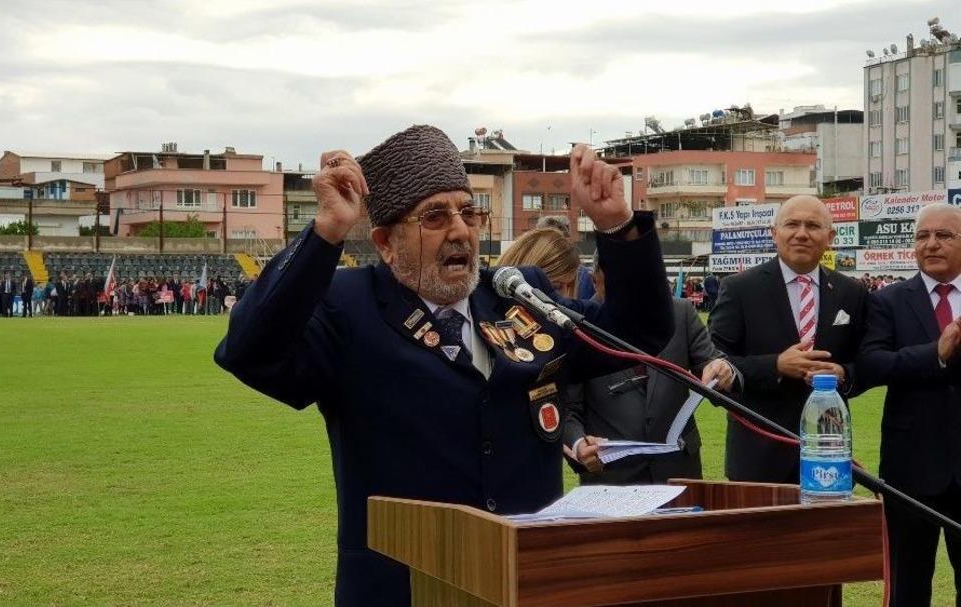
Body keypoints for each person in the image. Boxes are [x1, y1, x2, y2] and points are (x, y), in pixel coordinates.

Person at [214, 126, 673, 606]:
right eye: (434, 216)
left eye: (468, 211)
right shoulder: (349, 308)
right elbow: (249, 353)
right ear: (386, 242)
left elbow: (637, 334)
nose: (460, 229)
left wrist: (617, 227)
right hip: (406, 587)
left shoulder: (517, 294)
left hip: (526, 582)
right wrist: (326, 231)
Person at [709, 195, 867, 483]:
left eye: (813, 226)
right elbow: (715, 361)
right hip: (758, 453)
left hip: (827, 452)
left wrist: (842, 373)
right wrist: (776, 365)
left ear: (830, 236)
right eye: (792, 224)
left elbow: (867, 361)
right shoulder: (740, 288)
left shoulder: (851, 292)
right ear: (774, 233)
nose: (801, 233)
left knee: (823, 529)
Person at [858, 203, 961, 607]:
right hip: (910, 469)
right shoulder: (889, 301)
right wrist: (934, 353)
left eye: (944, 236)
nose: (931, 244)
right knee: (908, 585)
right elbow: (871, 364)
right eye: (922, 236)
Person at [563, 259, 738, 485]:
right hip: (613, 479)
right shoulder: (577, 327)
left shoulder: (680, 312)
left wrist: (724, 371)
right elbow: (567, 409)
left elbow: (714, 363)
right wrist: (578, 444)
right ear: (595, 281)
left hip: (679, 472)